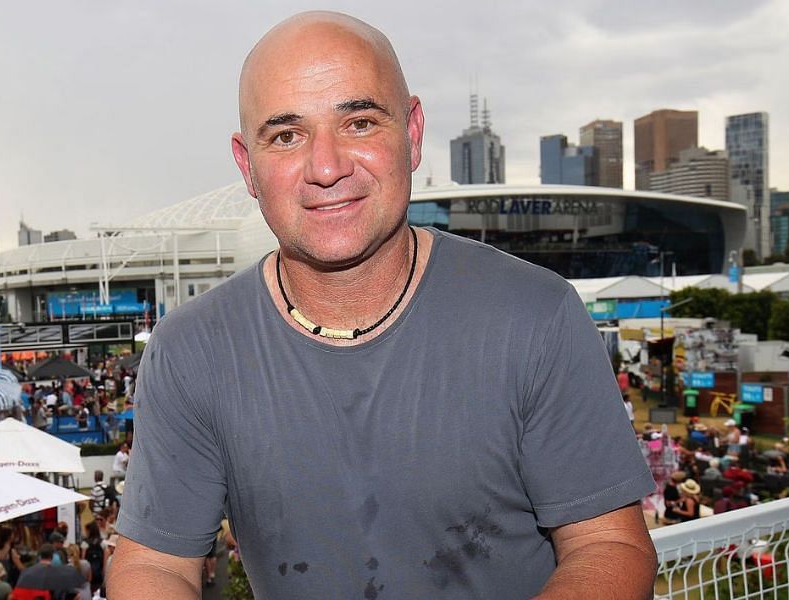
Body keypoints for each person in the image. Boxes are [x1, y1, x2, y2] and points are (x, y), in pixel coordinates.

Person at [107, 11, 656, 598]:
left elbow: (609, 545)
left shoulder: (536, 315)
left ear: (413, 133)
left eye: (360, 122)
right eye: (287, 136)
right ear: (248, 166)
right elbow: (155, 564)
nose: (326, 167)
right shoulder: (192, 350)